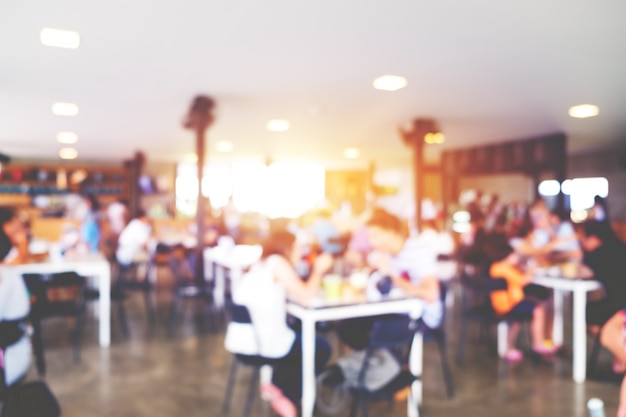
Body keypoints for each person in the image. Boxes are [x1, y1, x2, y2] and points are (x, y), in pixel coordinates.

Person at [224, 230, 333, 417]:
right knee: (321, 348)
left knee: (299, 337)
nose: (301, 252)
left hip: (243, 343)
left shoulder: (262, 263)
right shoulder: (278, 262)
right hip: (262, 347)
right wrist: (318, 270)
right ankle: (288, 396)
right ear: (287, 248)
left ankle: (276, 385)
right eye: (299, 248)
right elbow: (306, 296)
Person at [337, 208, 442, 351]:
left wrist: (392, 277)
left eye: (376, 235)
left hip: (420, 317)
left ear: (392, 232)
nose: (372, 242)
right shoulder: (385, 254)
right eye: (370, 237)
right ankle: (376, 364)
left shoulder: (418, 252)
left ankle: (385, 364)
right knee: (347, 326)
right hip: (395, 310)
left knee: (357, 329)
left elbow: (431, 294)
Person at [488, 244, 556, 361]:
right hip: (509, 305)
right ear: (506, 256)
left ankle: (511, 347)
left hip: (502, 304)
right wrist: (533, 268)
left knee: (531, 306)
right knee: (538, 309)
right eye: (513, 254)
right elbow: (523, 280)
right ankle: (538, 343)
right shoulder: (505, 269)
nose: (516, 257)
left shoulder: (496, 267)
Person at [578, 220, 626, 330]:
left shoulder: (597, 255)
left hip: (620, 306)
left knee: (585, 310)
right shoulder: (618, 246)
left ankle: (604, 338)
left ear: (593, 238)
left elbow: (582, 272)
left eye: (583, 239)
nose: (582, 243)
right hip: (621, 303)